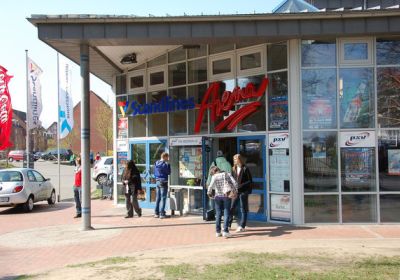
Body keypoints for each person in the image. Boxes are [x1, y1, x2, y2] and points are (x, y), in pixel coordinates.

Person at [207, 166, 238, 238]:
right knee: (226, 212)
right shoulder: (227, 174)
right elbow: (235, 183)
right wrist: (235, 191)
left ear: (214, 171)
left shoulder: (214, 177)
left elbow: (210, 186)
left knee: (218, 214)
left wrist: (209, 194)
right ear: (218, 169)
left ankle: (218, 232)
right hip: (226, 196)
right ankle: (225, 231)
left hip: (217, 197)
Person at [230, 154, 253, 232]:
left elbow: (250, 181)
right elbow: (231, 179)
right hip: (236, 192)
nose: (235, 161)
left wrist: (240, 186)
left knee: (243, 208)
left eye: (236, 159)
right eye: (234, 159)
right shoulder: (233, 169)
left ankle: (242, 226)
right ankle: (228, 224)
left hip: (243, 191)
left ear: (240, 159)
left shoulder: (245, 168)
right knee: (232, 207)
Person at [154, 152, 171, 219]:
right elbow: (168, 172)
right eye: (167, 157)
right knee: (163, 198)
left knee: (158, 198)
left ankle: (156, 213)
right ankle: (162, 213)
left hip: (157, 181)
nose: (168, 159)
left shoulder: (156, 163)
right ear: (164, 157)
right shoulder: (165, 164)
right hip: (163, 181)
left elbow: (154, 172)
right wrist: (168, 165)